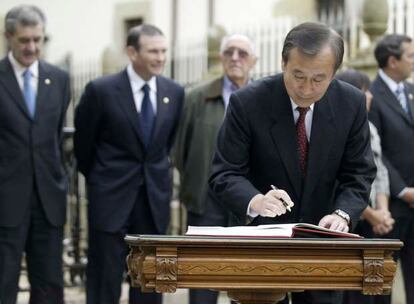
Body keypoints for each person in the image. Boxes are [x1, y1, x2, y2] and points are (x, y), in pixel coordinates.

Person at [209, 22, 376, 304]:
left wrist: (343, 214)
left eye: (318, 79)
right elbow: (224, 172)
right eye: (297, 75)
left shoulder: (352, 103)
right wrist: (256, 200)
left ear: (334, 73)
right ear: (283, 63)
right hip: (262, 243)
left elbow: (359, 173)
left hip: (323, 243)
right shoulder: (247, 103)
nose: (306, 88)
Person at [74, 24, 184, 304]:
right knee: (105, 277)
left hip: (153, 199)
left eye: (163, 51)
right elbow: (84, 147)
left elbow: (165, 145)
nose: (160, 58)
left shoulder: (174, 92)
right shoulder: (101, 90)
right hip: (110, 197)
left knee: (150, 278)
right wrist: (102, 179)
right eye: (152, 51)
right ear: (132, 52)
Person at [174, 34, 257, 304]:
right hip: (205, 199)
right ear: (220, 58)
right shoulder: (197, 97)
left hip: (249, 202)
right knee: (203, 274)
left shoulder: (262, 98)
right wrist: (197, 182)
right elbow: (180, 151)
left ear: (253, 61)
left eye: (242, 53)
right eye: (229, 52)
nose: (235, 58)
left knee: (247, 278)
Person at [0, 5, 70, 304]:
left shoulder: (59, 79)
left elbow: (56, 136)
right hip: (5, 200)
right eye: (24, 40)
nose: (32, 48)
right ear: (8, 38)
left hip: (48, 200)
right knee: (4, 281)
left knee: (48, 285)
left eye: (38, 40)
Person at [336, 69, 394, 304]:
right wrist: (371, 215)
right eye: (364, 91)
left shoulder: (370, 128)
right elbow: (343, 181)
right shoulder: (338, 128)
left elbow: (380, 172)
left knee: (373, 289)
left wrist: (383, 212)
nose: (369, 96)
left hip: (372, 219)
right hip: (346, 219)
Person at [368, 34, 414, 304]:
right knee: (383, 279)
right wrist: (403, 190)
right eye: (410, 56)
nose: (413, 61)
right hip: (391, 204)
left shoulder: (410, 91)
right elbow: (376, 152)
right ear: (392, 61)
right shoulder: (371, 95)